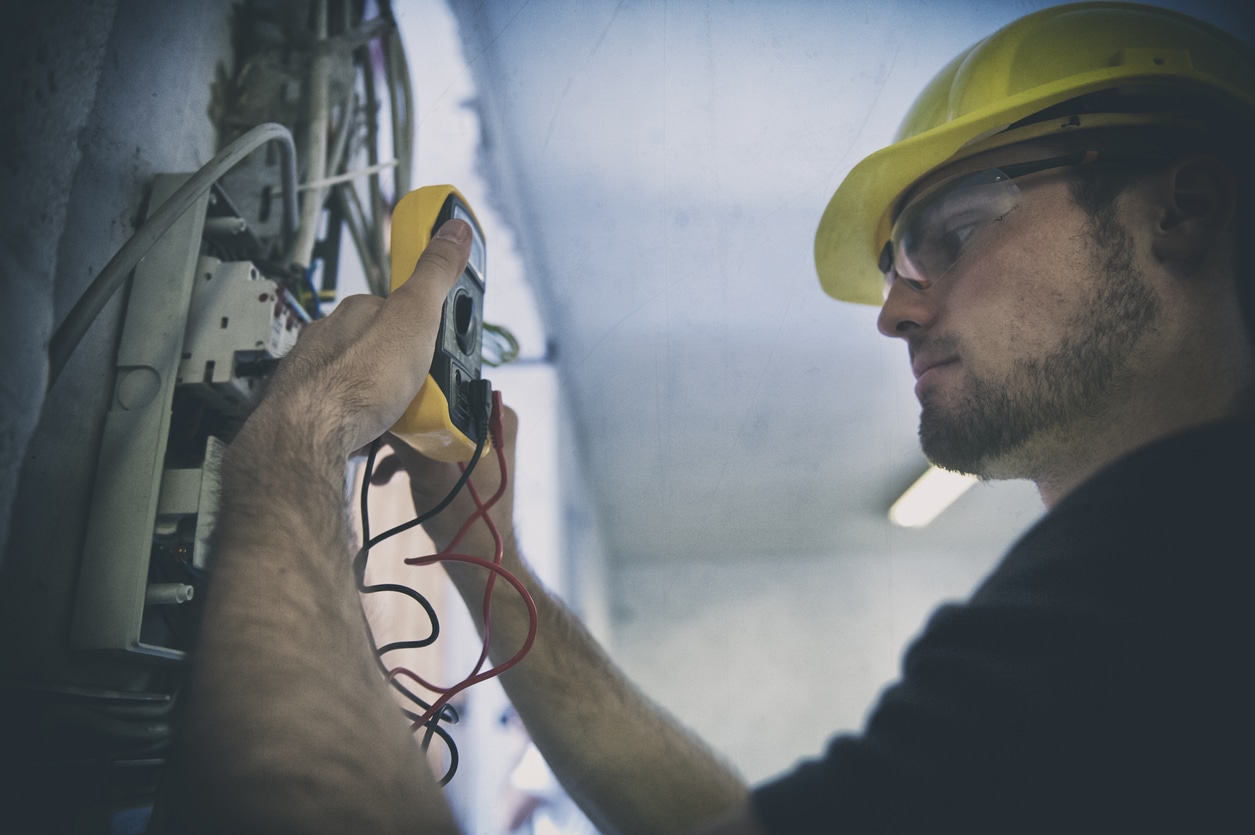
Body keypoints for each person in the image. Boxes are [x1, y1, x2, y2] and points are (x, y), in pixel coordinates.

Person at [176, 3, 1255, 833]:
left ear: (1181, 211)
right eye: (894, 264)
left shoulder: (1166, 583)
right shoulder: (1161, 592)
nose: (892, 310)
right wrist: (481, 553)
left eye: (951, 232)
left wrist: (304, 427)